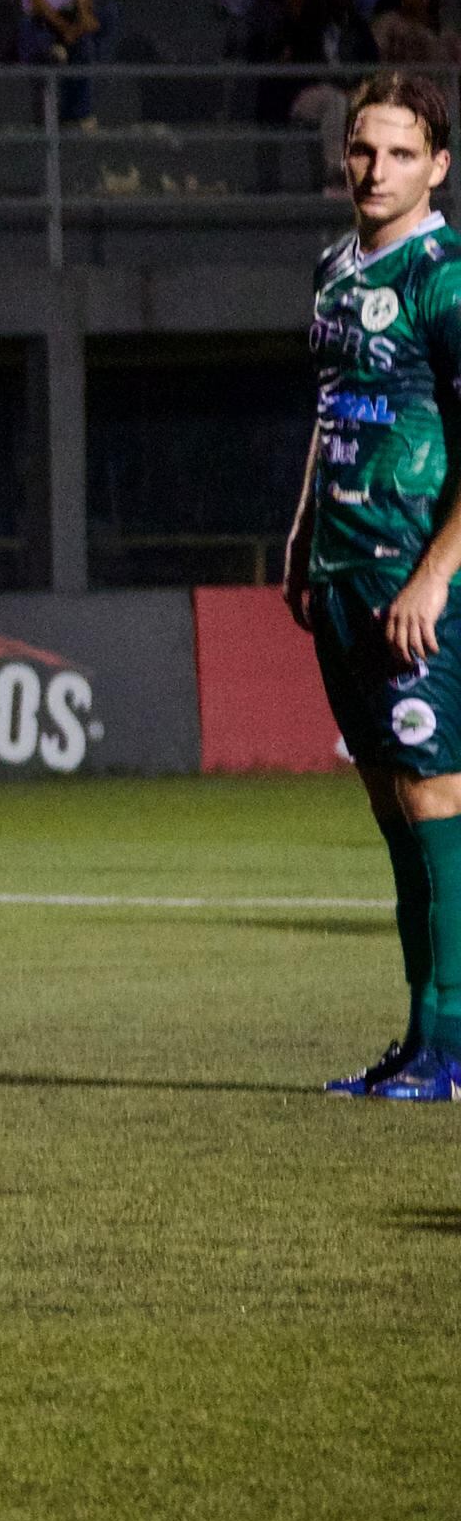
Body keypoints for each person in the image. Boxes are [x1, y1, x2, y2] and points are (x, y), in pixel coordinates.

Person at [288, 74, 461, 1095]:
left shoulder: (443, 276)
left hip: (412, 575)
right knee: (391, 812)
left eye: (397, 153)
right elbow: (331, 405)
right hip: (341, 572)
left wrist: (434, 577)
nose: (372, 169)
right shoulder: (331, 268)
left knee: (434, 795)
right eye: (360, 148)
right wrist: (301, 528)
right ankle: (416, 1037)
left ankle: (451, 1045)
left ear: (435, 165)